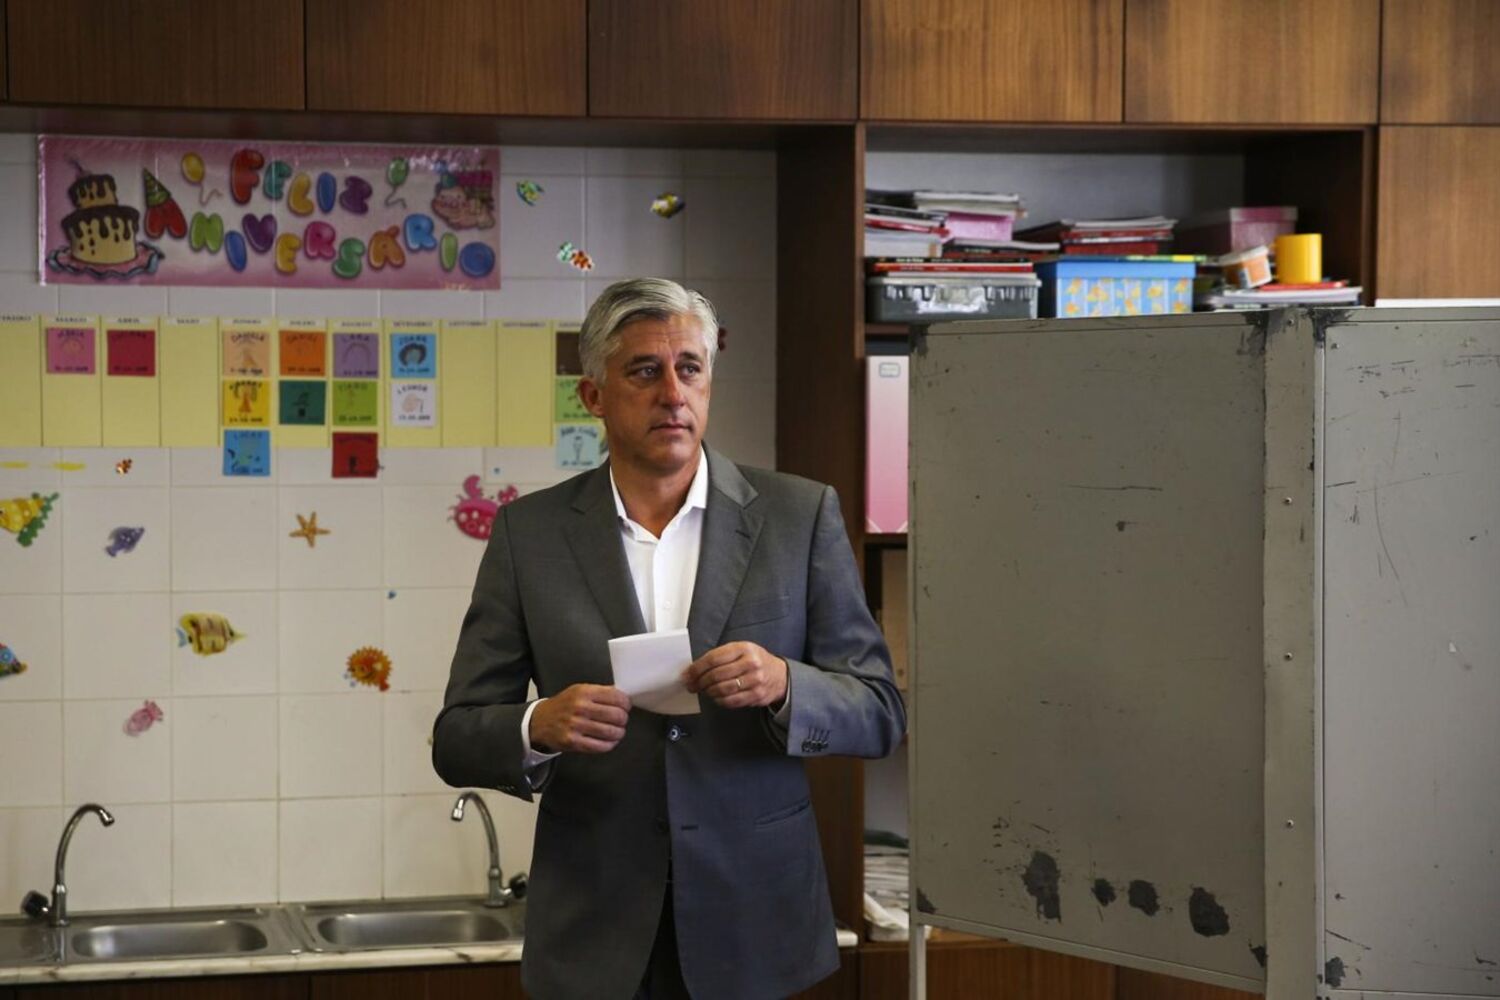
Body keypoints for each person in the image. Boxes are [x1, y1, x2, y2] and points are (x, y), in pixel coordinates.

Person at [433, 278, 906, 1000]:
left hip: (756, 926)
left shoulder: (798, 515)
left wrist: (786, 683)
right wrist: (538, 724)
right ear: (593, 396)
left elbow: (879, 711)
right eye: (644, 371)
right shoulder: (530, 534)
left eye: (690, 368)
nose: (673, 394)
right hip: (595, 931)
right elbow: (456, 737)